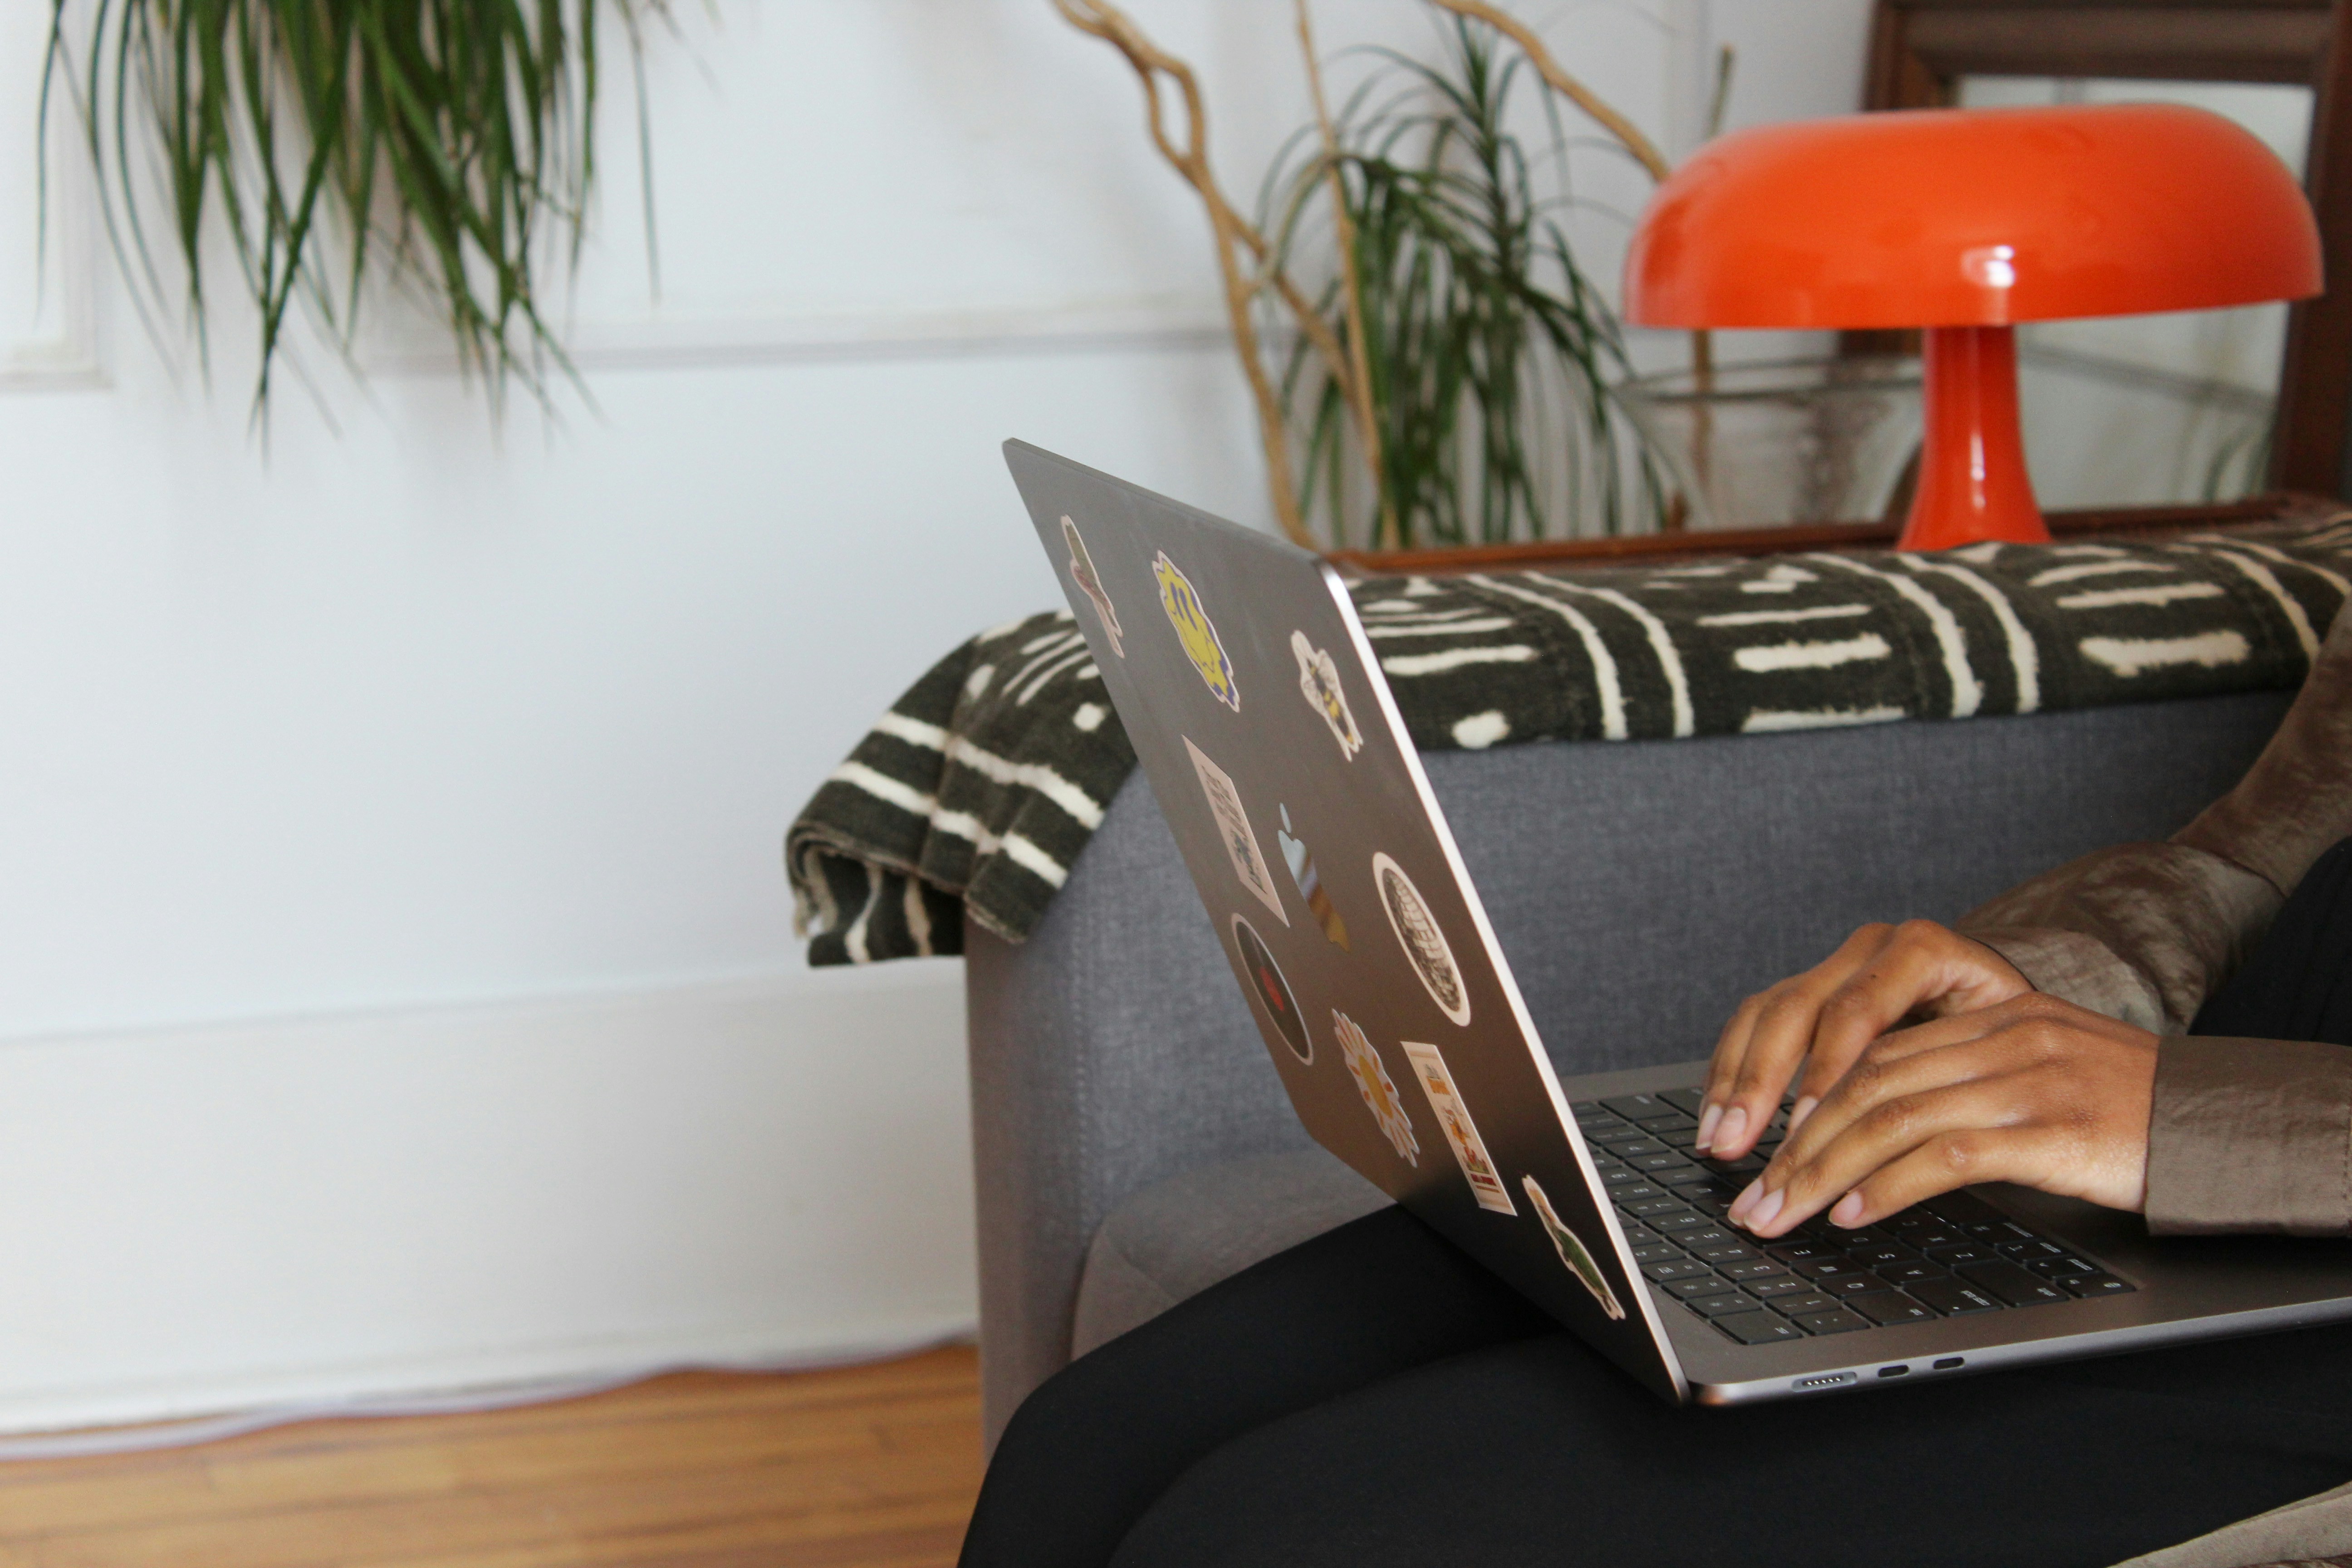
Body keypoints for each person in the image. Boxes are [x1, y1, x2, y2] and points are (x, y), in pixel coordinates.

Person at [958, 607, 2352, 1568]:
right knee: (1093, 1440)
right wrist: (2021, 997)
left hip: (2302, 1328)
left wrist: (2187, 1124)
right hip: (2124, 1192)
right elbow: (2245, 865)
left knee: (1271, 1535)